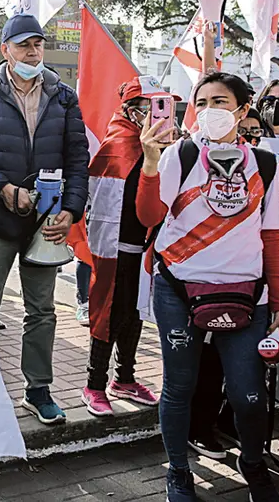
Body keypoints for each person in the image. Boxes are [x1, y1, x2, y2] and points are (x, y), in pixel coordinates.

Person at [136, 71, 279, 501]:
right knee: (179, 387)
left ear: (243, 111)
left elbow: (272, 234)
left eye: (220, 102)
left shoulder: (264, 163)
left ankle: (253, 463)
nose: (209, 111)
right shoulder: (179, 156)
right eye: (201, 102)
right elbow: (149, 217)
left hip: (246, 295)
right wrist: (150, 163)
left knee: (248, 395)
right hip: (178, 290)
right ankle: (178, 471)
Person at [0, 14, 90, 425]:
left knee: (43, 310)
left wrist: (70, 209)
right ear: (6, 50)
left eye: (38, 45)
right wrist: (2, 189)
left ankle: (38, 390)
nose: (33, 52)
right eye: (24, 45)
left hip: (46, 224)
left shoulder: (64, 96)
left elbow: (78, 160)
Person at [82, 77, 167, 417]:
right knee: (108, 314)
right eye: (147, 106)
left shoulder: (167, 148)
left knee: (134, 315)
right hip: (113, 250)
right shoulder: (115, 145)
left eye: (160, 106)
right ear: (132, 110)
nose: (154, 114)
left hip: (145, 249)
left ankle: (125, 378)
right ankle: (94, 383)